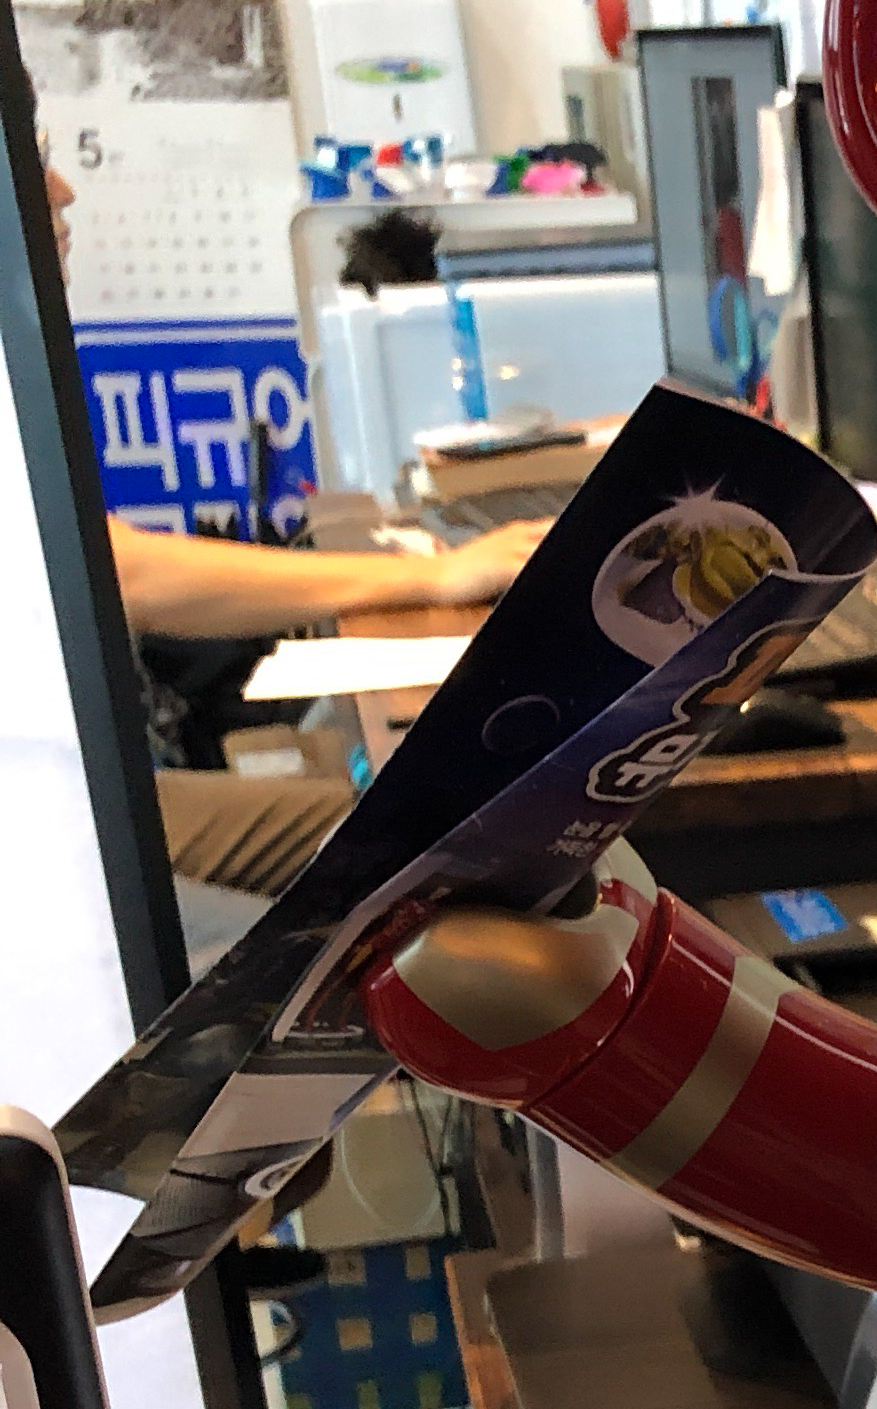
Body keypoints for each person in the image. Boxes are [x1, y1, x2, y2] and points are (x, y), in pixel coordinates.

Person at [41, 147, 547, 896]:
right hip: (53, 818)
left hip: (86, 780)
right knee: (454, 836)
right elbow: (117, 575)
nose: (64, 189)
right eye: (35, 157)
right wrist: (437, 576)